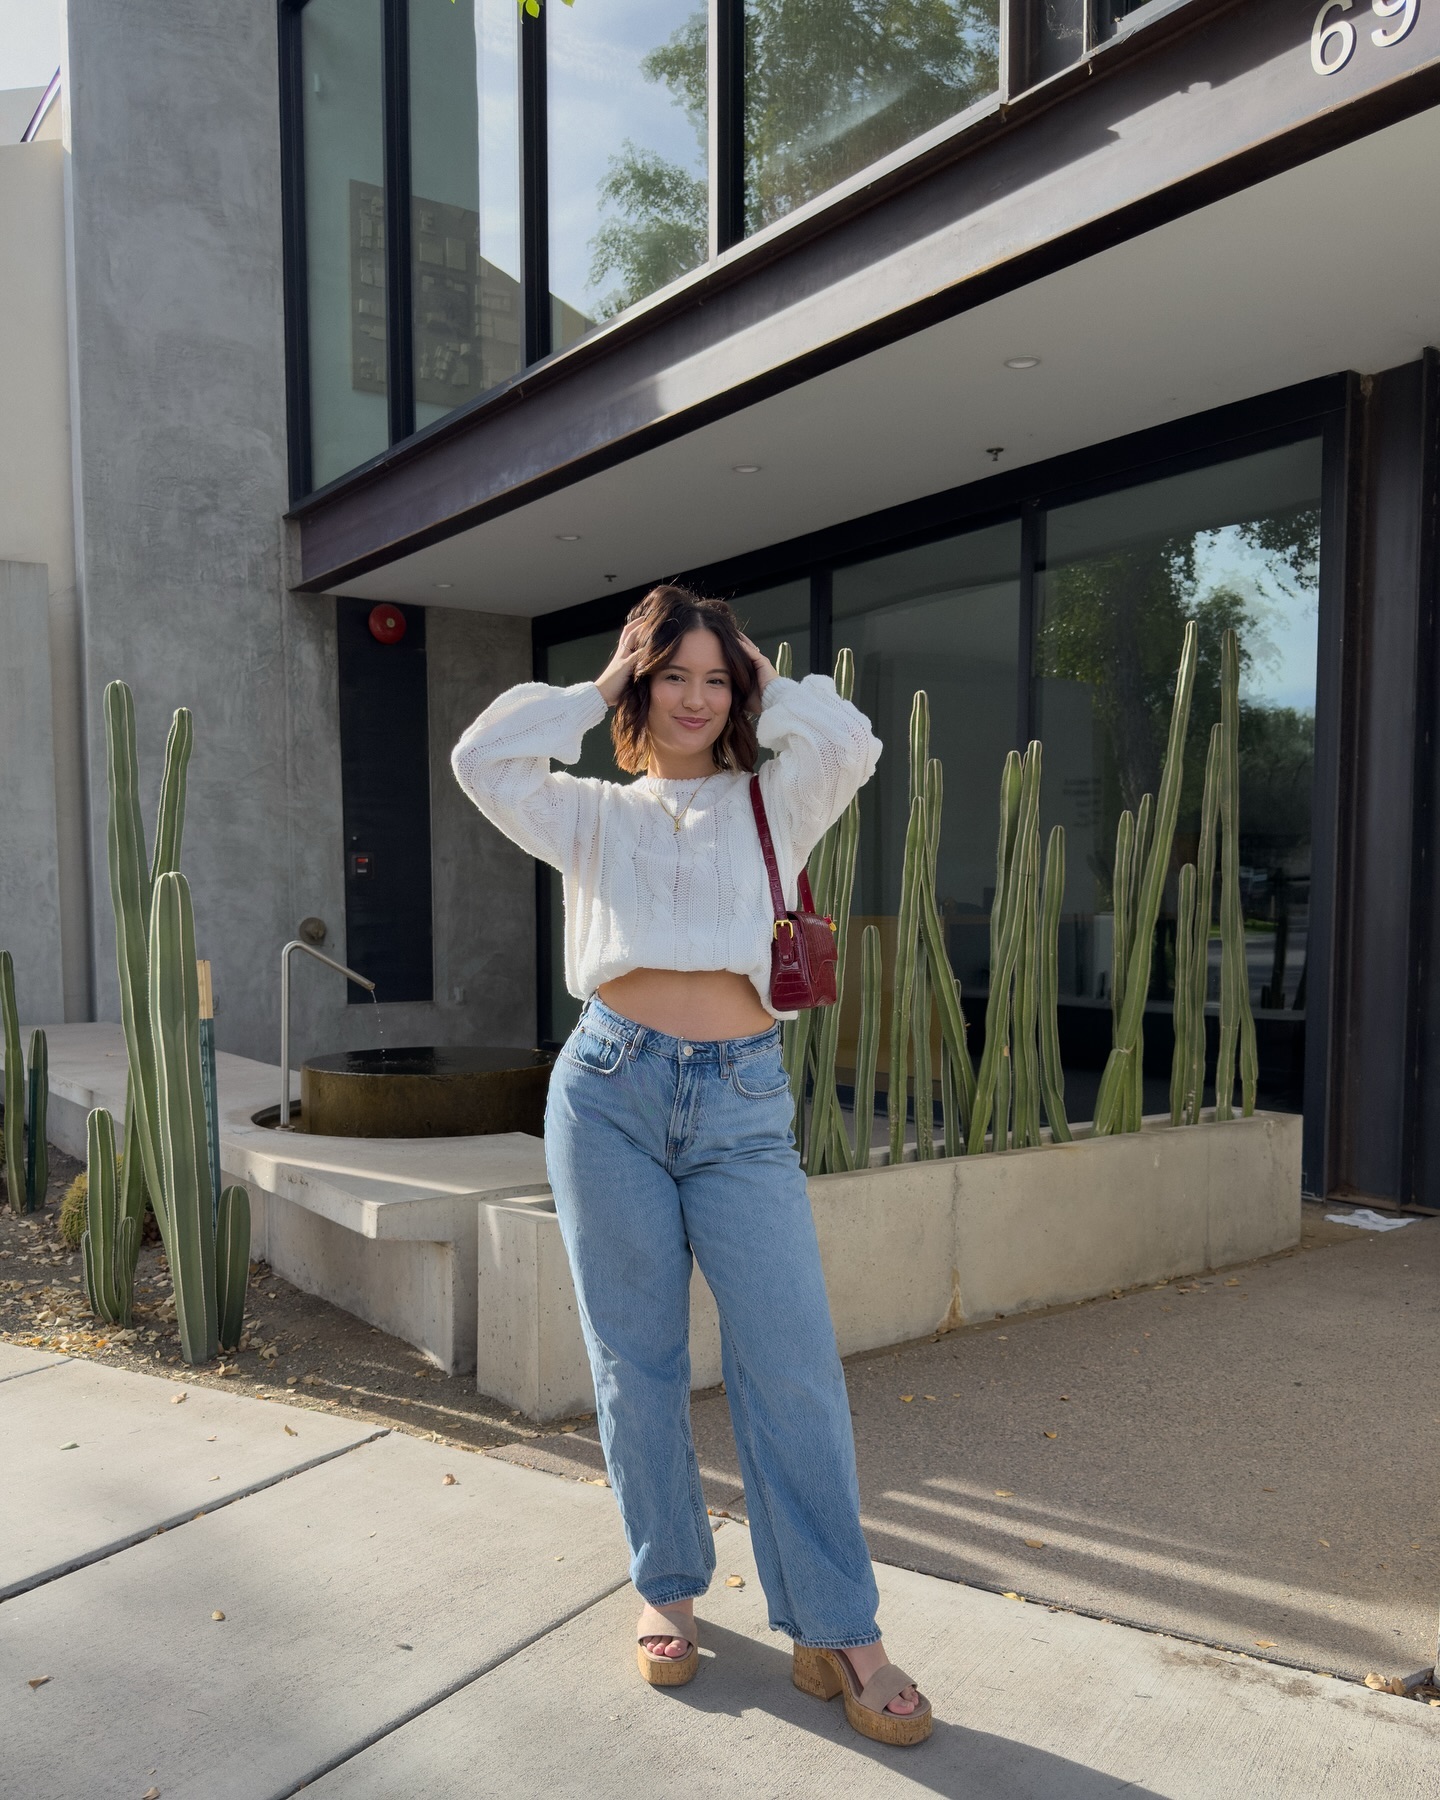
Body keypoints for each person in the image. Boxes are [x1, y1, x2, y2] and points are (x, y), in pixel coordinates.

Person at [452, 584, 931, 1746]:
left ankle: (838, 1627)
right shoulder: (592, 815)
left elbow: (855, 742)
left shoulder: (777, 799)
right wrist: (601, 682)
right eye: (677, 676)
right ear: (643, 684)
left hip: (743, 1104)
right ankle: (666, 1585)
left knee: (794, 1366)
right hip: (607, 1092)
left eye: (717, 680)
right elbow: (481, 758)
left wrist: (764, 673)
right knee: (636, 1362)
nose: (697, 698)